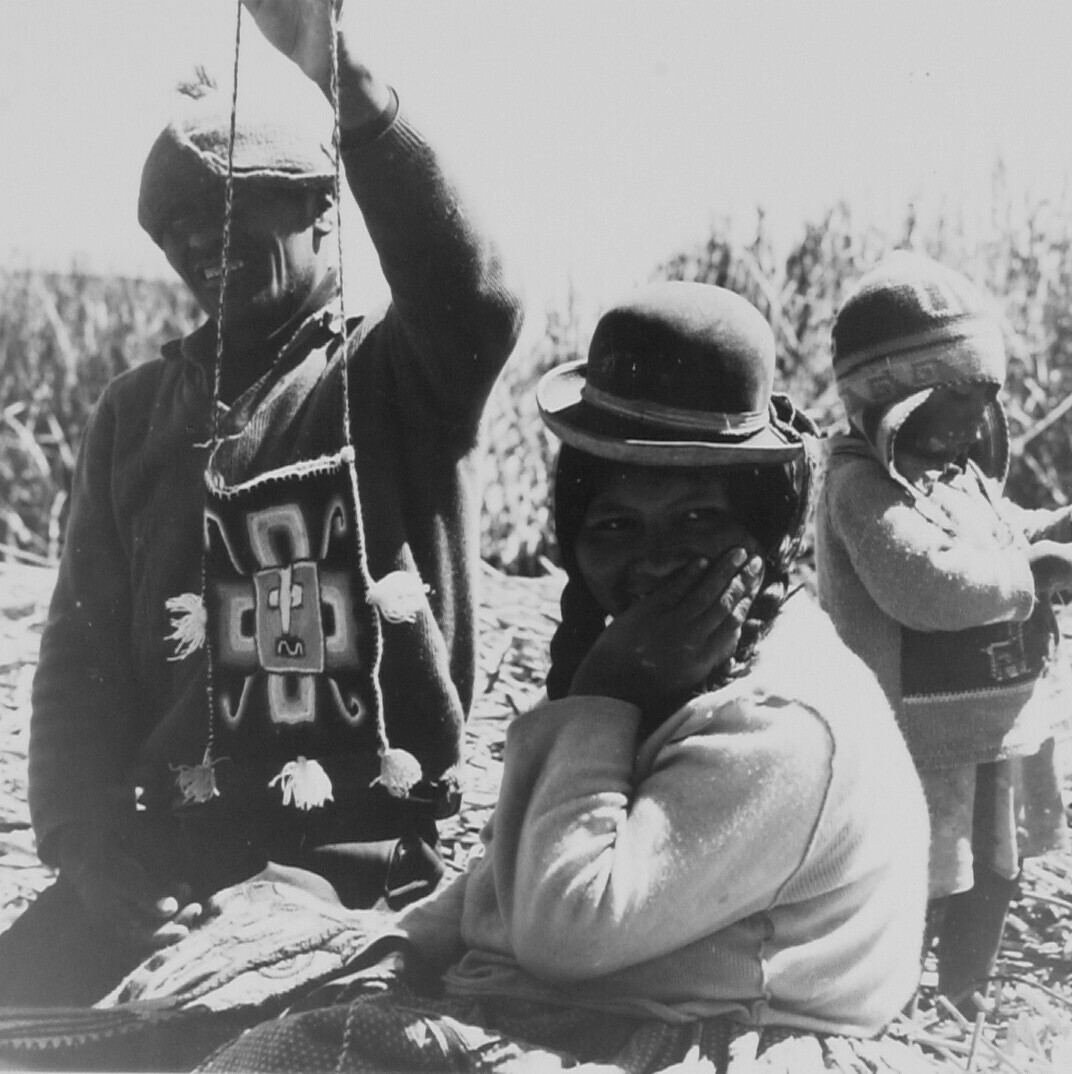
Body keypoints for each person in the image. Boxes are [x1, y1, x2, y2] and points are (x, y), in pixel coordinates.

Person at [199, 281, 932, 1074]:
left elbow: (564, 929)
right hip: (604, 1002)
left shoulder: (778, 720)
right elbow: (504, 874)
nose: (653, 560)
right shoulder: (674, 669)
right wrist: (402, 946)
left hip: (704, 1037)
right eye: (615, 525)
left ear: (765, 529)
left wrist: (601, 696)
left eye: (697, 520)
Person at [0, 0, 523, 1006]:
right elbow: (79, 656)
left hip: (350, 848)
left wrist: (343, 78)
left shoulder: (395, 378)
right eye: (176, 227)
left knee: (207, 1024)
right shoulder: (134, 413)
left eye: (233, 206)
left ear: (322, 207)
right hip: (168, 846)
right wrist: (87, 845)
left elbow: (476, 298)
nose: (202, 240)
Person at [816, 250, 1072, 1013]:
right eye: (960, 403)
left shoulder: (953, 472)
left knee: (994, 867)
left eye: (984, 404)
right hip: (917, 737)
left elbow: (1003, 530)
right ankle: (884, 997)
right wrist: (1030, 574)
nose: (974, 425)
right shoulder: (863, 483)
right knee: (921, 874)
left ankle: (966, 995)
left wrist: (1052, 530)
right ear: (897, 396)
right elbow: (924, 583)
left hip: (984, 726)